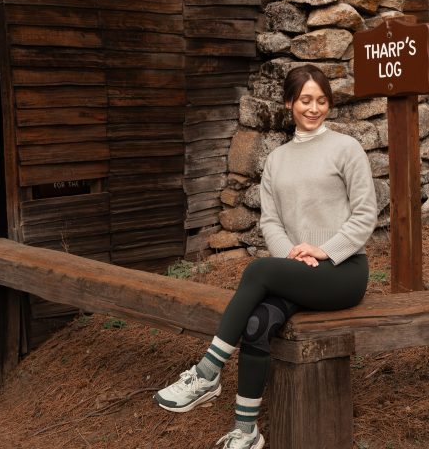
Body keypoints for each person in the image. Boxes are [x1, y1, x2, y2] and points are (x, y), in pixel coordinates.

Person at [154, 64, 378, 449]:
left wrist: (323, 251)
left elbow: (365, 215)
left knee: (257, 271)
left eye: (321, 100)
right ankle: (246, 432)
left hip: (343, 272)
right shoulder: (276, 160)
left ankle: (207, 372)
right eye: (305, 100)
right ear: (290, 102)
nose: (314, 108)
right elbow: (271, 223)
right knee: (258, 322)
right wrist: (294, 258)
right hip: (298, 270)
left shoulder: (346, 148)